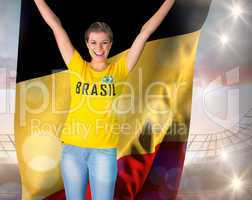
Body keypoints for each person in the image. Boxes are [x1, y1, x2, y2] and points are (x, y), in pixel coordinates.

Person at [33, 0, 175, 199]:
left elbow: (145, 32)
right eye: (93, 42)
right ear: (87, 44)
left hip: (104, 152)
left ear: (110, 44)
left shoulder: (119, 70)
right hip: (72, 152)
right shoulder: (77, 66)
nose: (98, 47)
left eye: (104, 42)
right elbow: (56, 25)